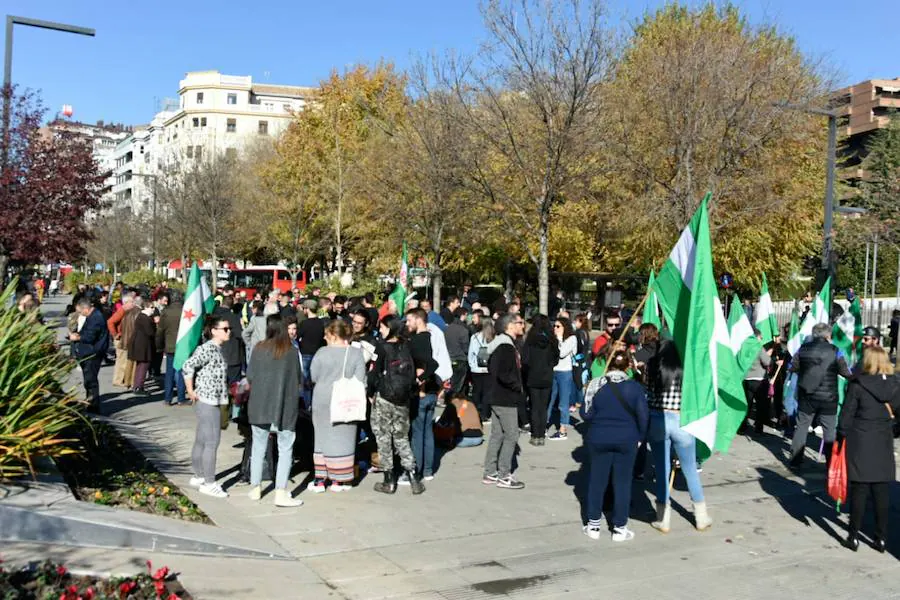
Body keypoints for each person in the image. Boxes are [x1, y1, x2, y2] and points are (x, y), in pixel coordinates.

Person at [580, 349, 648, 542]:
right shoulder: (634, 388)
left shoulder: (596, 384)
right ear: (628, 366)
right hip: (626, 439)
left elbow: (585, 414)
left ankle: (593, 525)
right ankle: (619, 527)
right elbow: (643, 417)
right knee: (623, 483)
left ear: (609, 365)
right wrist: (640, 438)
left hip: (598, 437)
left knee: (597, 481)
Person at [838, 347, 900, 552]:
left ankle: (853, 536)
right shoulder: (895, 385)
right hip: (883, 441)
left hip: (860, 441)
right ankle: (881, 538)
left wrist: (840, 436)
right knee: (882, 492)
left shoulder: (858, 385)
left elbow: (846, 416)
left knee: (859, 491)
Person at [646, 340, 711, 532]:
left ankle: (662, 518)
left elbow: (648, 391)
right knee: (690, 469)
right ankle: (701, 516)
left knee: (662, 470)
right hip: (681, 420)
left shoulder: (652, 365)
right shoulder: (685, 367)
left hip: (658, 418)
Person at [246, 314, 304, 507]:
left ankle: (255, 487)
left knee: (258, 446)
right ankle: (280, 492)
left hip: (259, 405)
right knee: (285, 448)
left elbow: (251, 376)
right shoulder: (290, 351)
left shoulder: (259, 348)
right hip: (284, 406)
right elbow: (298, 379)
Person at [368, 315, 425, 494]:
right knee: (401, 437)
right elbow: (429, 364)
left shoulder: (382, 347)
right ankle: (414, 477)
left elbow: (373, 374)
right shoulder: (408, 345)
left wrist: (370, 393)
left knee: (383, 437)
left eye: (383, 327)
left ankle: (388, 480)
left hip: (384, 398)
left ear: (390, 328)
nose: (381, 331)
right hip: (403, 399)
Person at [309, 319, 366, 492]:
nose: (325, 338)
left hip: (322, 398)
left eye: (327, 335)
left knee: (321, 437)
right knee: (344, 438)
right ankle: (338, 480)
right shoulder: (356, 353)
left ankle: (320, 479)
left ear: (334, 335)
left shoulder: (321, 352)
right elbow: (362, 379)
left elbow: (313, 376)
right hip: (346, 401)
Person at [789, 323, 852, 469]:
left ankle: (795, 461)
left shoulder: (802, 349)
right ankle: (831, 464)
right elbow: (845, 372)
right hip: (828, 397)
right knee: (829, 431)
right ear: (828, 335)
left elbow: (793, 367)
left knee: (801, 428)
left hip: (806, 395)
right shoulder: (836, 350)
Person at [182, 316, 232, 499]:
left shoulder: (216, 349)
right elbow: (188, 366)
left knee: (202, 440)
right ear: (214, 331)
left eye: (228, 328)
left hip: (211, 400)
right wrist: (190, 390)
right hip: (207, 401)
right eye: (225, 328)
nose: (228, 331)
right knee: (212, 442)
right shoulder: (208, 349)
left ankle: (198, 476)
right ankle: (209, 482)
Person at [482, 313, 527, 489]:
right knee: (511, 435)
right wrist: (517, 386)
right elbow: (504, 374)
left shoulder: (498, 344)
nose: (522, 326)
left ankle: (490, 472)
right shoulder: (506, 347)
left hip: (495, 396)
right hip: (505, 398)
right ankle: (503, 475)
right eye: (519, 323)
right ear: (510, 326)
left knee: (497, 435)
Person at [405, 308, 440, 483]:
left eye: (409, 320)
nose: (407, 324)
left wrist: (419, 380)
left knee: (418, 433)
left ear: (418, 320)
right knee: (427, 431)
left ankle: (417, 470)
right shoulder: (432, 336)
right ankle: (427, 470)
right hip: (432, 392)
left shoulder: (418, 340)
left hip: (422, 393)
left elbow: (431, 364)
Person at [522, 314, 558, 446]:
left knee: (534, 406)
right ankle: (541, 435)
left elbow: (524, 360)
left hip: (533, 376)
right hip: (547, 376)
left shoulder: (530, 342)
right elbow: (556, 359)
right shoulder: (552, 341)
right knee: (543, 407)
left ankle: (535, 435)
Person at [69, 297, 109, 412]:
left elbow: (90, 336)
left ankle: (93, 404)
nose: (80, 314)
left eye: (80, 312)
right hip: (88, 351)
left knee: (91, 379)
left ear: (85, 309)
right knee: (88, 379)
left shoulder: (96, 318)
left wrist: (77, 337)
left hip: (93, 352)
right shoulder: (92, 316)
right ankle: (90, 400)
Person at [548, 317, 577, 441]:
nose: (555, 328)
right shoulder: (553, 339)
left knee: (563, 402)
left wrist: (559, 338)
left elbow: (562, 353)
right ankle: (544, 425)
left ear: (565, 327)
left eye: (558, 326)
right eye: (554, 326)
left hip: (565, 372)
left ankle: (563, 430)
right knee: (550, 399)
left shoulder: (571, 339)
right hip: (553, 371)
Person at [156, 291, 187, 406]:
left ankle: (167, 398)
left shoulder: (166, 312)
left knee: (169, 373)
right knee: (182, 372)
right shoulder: (186, 311)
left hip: (169, 346)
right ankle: (181, 398)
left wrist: (158, 345)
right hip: (183, 346)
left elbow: (160, 331)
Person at [740, 329, 772, 434]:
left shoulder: (743, 347)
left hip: (746, 379)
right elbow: (767, 362)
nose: (761, 338)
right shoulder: (758, 347)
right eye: (760, 336)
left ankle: (742, 427)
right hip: (759, 380)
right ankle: (758, 428)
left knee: (747, 405)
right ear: (756, 336)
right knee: (760, 405)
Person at [297, 299, 326, 410]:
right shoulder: (320, 323)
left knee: (305, 382)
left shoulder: (304, 323)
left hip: (305, 354)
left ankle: (307, 404)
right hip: (317, 354)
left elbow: (297, 336)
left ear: (307, 309)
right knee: (315, 381)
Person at [468, 317, 495, 423]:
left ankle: (475, 413)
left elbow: (471, 354)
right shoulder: (493, 338)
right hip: (488, 369)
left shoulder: (475, 337)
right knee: (487, 393)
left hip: (476, 369)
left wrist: (472, 366)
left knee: (476, 391)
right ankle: (484, 414)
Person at [108, 292, 137, 388]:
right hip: (120, 338)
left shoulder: (127, 311)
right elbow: (110, 322)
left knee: (124, 359)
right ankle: (118, 380)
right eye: (132, 302)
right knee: (121, 360)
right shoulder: (122, 310)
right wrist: (115, 334)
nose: (133, 303)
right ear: (126, 302)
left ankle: (123, 379)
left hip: (124, 337)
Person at [214, 296, 245, 384]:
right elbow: (239, 334)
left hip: (217, 355)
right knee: (233, 386)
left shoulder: (213, 316)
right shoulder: (233, 317)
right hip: (232, 355)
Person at [129, 297, 156, 394]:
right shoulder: (144, 318)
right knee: (143, 366)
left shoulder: (142, 317)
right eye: (152, 307)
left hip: (140, 344)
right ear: (147, 307)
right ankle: (138, 387)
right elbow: (150, 332)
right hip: (142, 345)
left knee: (140, 366)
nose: (154, 309)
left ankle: (137, 385)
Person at [445, 307, 471, 396]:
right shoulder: (464, 330)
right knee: (457, 385)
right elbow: (466, 348)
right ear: (463, 315)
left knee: (450, 382)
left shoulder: (446, 328)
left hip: (448, 359)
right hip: (460, 360)